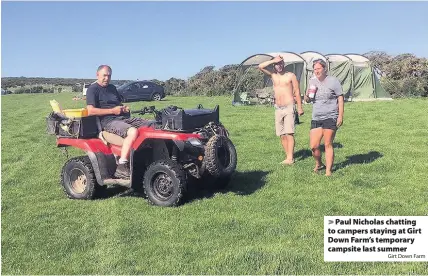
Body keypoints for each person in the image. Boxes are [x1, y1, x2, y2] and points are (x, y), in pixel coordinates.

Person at [86, 65, 150, 179]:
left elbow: (117, 104)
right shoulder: (92, 89)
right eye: (104, 75)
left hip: (121, 118)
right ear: (97, 75)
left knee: (150, 124)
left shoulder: (112, 88)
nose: (107, 78)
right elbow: (90, 111)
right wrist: (112, 111)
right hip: (108, 121)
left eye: (109, 76)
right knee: (133, 132)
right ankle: (122, 165)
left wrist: (123, 108)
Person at [258, 55, 304, 165]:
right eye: (277, 64)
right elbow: (260, 66)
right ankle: (288, 155)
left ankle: (290, 158)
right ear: (274, 65)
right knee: (282, 134)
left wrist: (300, 107)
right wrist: (274, 60)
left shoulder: (290, 75)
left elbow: (297, 91)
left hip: (289, 106)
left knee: (289, 133)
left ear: (284, 64)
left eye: (281, 63)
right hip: (278, 108)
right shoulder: (273, 75)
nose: (279, 65)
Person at [304, 59, 344, 176]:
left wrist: (340, 116)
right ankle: (319, 163)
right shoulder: (312, 81)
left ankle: (328, 171)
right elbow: (307, 99)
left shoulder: (333, 81)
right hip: (317, 116)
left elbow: (340, 98)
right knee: (314, 146)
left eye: (318, 68)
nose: (316, 71)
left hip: (330, 116)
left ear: (324, 69)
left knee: (327, 144)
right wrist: (307, 96)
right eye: (315, 69)